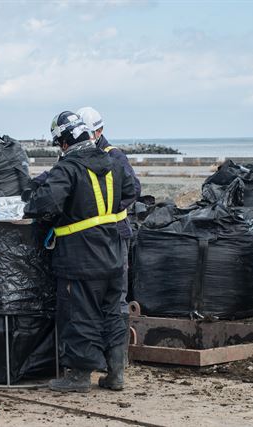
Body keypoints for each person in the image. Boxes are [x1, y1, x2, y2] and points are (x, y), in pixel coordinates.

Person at [23, 111, 136, 393]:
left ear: (63, 142)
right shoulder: (114, 162)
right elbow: (131, 190)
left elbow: (44, 205)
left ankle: (79, 376)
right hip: (113, 251)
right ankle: (116, 373)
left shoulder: (68, 168)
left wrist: (37, 202)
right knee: (112, 312)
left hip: (80, 256)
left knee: (80, 313)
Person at [77, 107, 141, 368]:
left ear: (99, 131)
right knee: (100, 299)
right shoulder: (78, 155)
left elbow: (133, 189)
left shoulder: (114, 156)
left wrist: (105, 210)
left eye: (88, 133)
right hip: (91, 238)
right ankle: (108, 364)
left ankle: (117, 365)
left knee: (115, 298)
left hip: (114, 235)